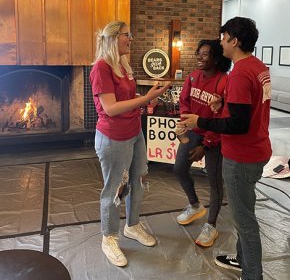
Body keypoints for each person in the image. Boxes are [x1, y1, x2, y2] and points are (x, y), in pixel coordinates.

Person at [177, 17, 272, 280]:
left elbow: (238, 124)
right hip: (257, 149)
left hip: (242, 154)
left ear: (235, 41)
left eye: (224, 37)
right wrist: (225, 102)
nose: (221, 42)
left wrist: (201, 121)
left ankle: (252, 275)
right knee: (245, 210)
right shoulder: (257, 67)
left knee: (245, 221)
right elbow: (248, 110)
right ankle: (242, 260)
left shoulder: (240, 73)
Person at [90, 21, 171, 267]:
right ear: (115, 38)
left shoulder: (123, 65)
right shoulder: (101, 68)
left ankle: (132, 225)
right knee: (114, 188)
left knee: (138, 180)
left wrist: (146, 98)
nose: (131, 39)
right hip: (113, 137)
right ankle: (109, 237)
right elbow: (111, 108)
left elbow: (125, 98)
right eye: (128, 35)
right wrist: (146, 98)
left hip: (134, 132)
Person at [174, 39, 231, 247]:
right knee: (180, 169)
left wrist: (206, 145)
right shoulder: (193, 76)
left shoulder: (224, 82)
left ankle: (211, 225)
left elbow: (223, 119)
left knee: (215, 182)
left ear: (216, 58)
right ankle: (195, 205)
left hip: (214, 137)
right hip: (195, 132)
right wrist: (185, 121)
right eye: (198, 53)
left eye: (205, 54)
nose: (199, 57)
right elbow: (184, 101)